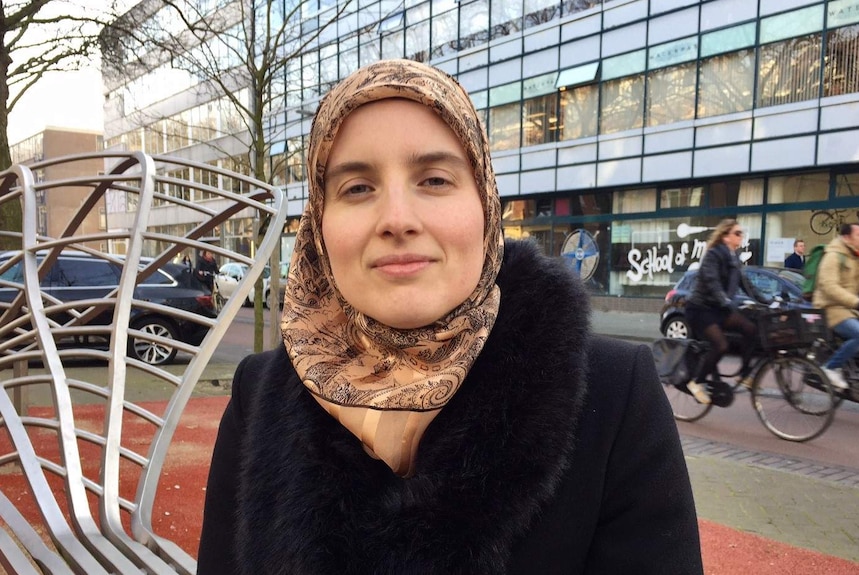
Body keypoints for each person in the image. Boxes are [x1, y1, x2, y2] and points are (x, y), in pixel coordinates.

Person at [197, 60, 702, 574]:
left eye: (434, 179)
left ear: (485, 204)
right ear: (318, 225)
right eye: (357, 188)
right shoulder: (258, 393)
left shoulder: (616, 397)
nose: (397, 219)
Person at [683, 219, 761, 405]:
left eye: (741, 233)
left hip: (719, 308)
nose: (741, 236)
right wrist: (724, 300)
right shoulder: (713, 254)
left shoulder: (734, 257)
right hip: (701, 309)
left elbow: (745, 284)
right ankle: (696, 382)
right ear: (726, 237)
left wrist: (766, 300)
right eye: (737, 233)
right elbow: (712, 281)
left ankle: (744, 375)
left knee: (750, 329)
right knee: (721, 345)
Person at [812, 223, 859, 390]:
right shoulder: (833, 255)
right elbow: (828, 286)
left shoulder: (856, 257)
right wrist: (856, 302)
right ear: (847, 237)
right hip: (830, 308)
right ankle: (830, 367)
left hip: (848, 309)